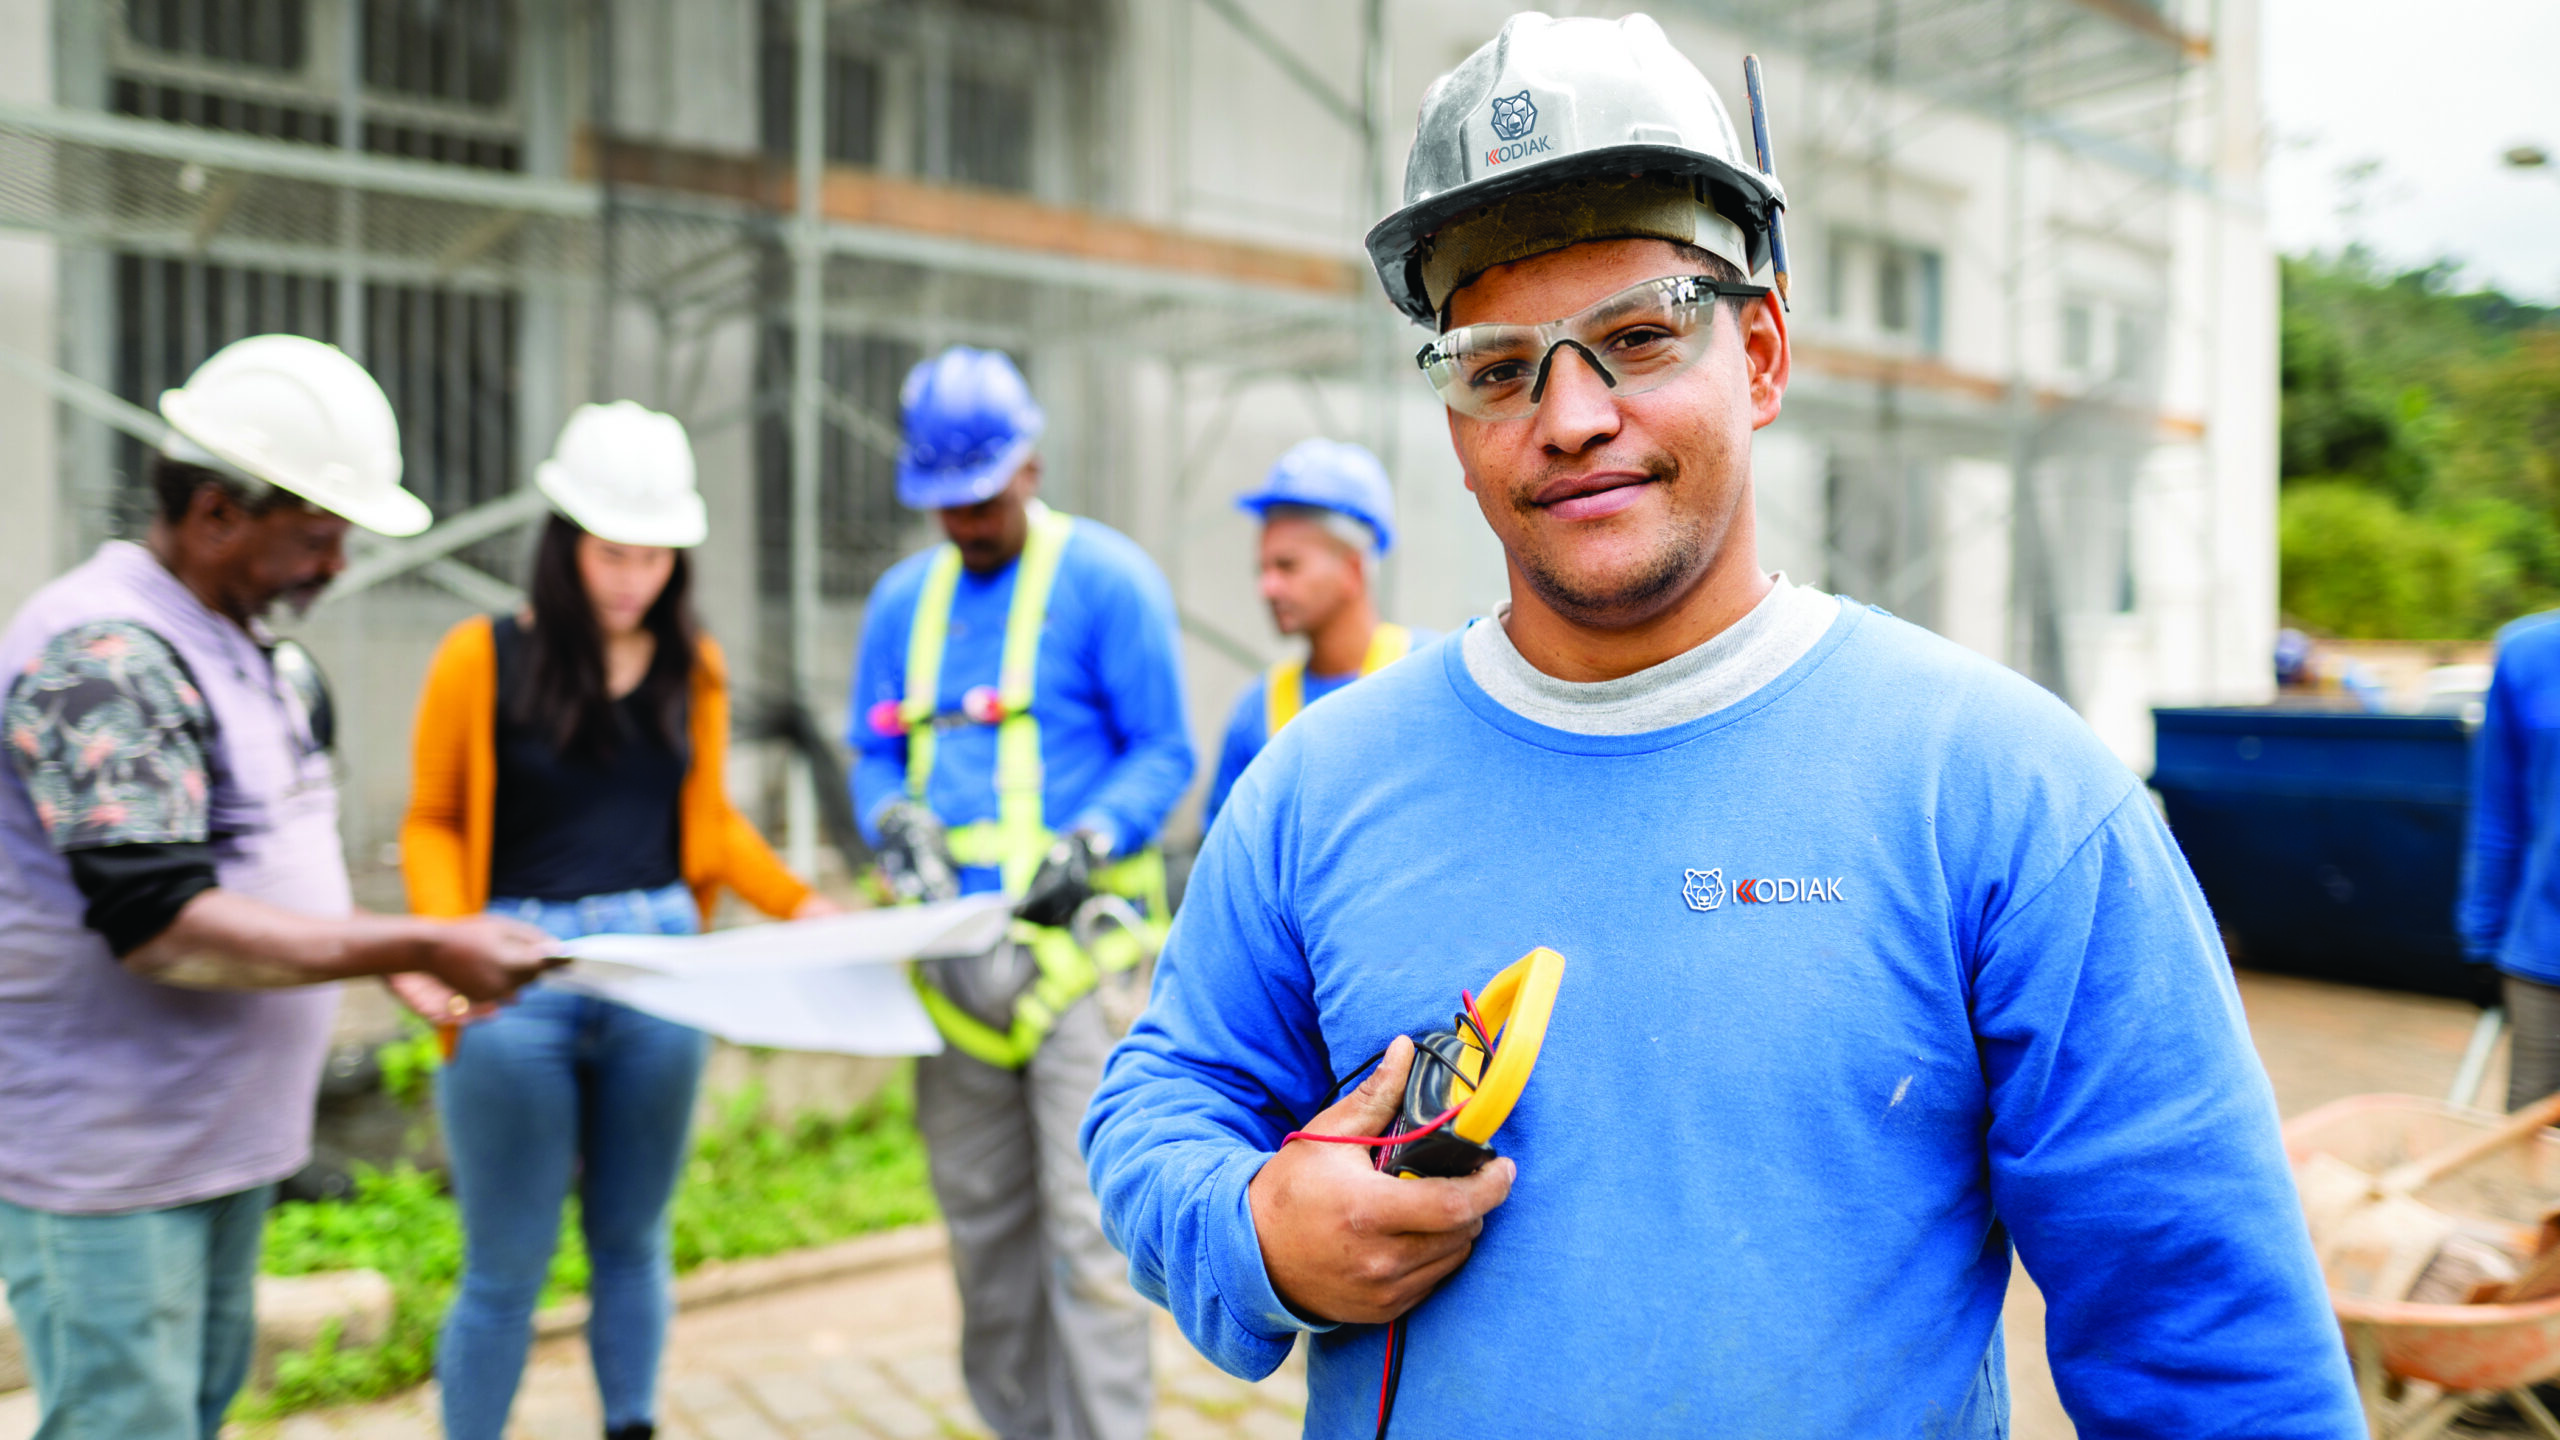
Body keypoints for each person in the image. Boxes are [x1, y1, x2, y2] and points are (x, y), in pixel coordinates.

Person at [1082, 14, 2362, 1437]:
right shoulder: (1317, 783)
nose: (1570, 416)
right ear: (1454, 423)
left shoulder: (2006, 796)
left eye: (1638, 336)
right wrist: (1254, 1230)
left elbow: (2211, 1345)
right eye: (1502, 366)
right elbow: (1164, 1099)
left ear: (1759, 354)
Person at [0, 334, 558, 1440]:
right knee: (125, 1422)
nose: (336, 567)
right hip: (113, 1158)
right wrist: (417, 943)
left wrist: (383, 955)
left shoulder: (242, 645)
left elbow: (263, 870)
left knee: (191, 1416)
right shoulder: (104, 656)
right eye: (316, 537)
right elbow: (161, 924)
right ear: (215, 514)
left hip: (216, 1139)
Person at [400, 401, 836, 1440]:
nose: (633, 574)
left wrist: (799, 903)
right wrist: (440, 945)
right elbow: (434, 818)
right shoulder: (478, 658)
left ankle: (631, 1422)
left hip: (657, 975)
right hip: (518, 975)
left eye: (655, 555)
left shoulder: (696, 666)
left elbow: (710, 820)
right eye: (612, 550)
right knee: (505, 1266)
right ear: (566, 544)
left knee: (633, 1242)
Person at [848, 346, 1190, 1440]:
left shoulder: (1109, 582)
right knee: (983, 1245)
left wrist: (1092, 836)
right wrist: (889, 821)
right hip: (952, 975)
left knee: (1091, 1245)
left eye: (980, 499)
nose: (963, 522)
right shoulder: (902, 604)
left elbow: (1162, 749)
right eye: (942, 505)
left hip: (1074, 972)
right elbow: (870, 753)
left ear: (1030, 466)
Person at [1202, 440, 1438, 832]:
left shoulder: (1435, 680)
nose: (1268, 587)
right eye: (1262, 569)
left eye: (1287, 566)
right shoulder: (1255, 711)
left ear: (1351, 569)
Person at [2460, 612, 2560, 1109]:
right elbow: (2498, 815)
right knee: (2534, 1161)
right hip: (2546, 958)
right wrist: (2481, 938)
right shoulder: (2530, 653)